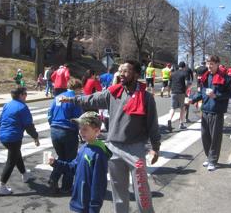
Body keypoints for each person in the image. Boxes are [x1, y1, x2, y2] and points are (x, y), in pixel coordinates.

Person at [59, 59, 161, 213]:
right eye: (120, 71)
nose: (121, 74)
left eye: (126, 71)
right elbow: (91, 99)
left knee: (142, 192)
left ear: (136, 74)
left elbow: (153, 125)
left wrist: (155, 148)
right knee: (118, 192)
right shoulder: (113, 93)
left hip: (136, 150)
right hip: (114, 149)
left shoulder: (146, 97)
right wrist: (72, 99)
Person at [48, 111, 112, 213]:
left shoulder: (98, 154)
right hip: (78, 200)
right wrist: (56, 163)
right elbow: (73, 167)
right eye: (80, 128)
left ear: (97, 131)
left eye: (85, 129)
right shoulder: (84, 147)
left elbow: (99, 184)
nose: (81, 132)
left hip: (87, 206)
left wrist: (94, 207)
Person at [190, 55, 231, 171]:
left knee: (215, 138)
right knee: (205, 136)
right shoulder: (205, 76)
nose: (209, 66)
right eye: (208, 63)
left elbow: (230, 94)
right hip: (205, 110)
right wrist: (192, 99)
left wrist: (216, 96)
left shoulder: (225, 77)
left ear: (218, 64)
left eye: (212, 64)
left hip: (217, 111)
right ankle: (209, 157)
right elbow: (202, 93)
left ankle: (213, 160)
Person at [0, 87, 40, 196]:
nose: (26, 96)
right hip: (13, 137)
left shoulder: (7, 104)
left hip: (3, 136)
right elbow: (28, 126)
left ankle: (25, 175)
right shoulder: (23, 107)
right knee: (11, 161)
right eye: (25, 94)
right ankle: (1, 186)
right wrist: (35, 137)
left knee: (16, 154)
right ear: (20, 95)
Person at [47, 79, 83, 194]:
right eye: (80, 89)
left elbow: (50, 114)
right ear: (77, 88)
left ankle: (53, 178)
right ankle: (66, 186)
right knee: (70, 160)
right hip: (68, 130)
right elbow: (78, 117)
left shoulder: (58, 97)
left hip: (54, 129)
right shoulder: (74, 99)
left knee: (61, 157)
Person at [167, 62, 188, 131]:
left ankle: (169, 120)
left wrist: (169, 91)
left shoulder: (172, 74)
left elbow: (169, 84)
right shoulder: (184, 73)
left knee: (173, 108)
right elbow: (187, 83)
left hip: (173, 92)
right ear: (184, 67)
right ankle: (181, 123)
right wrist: (186, 89)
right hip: (181, 92)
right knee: (182, 108)